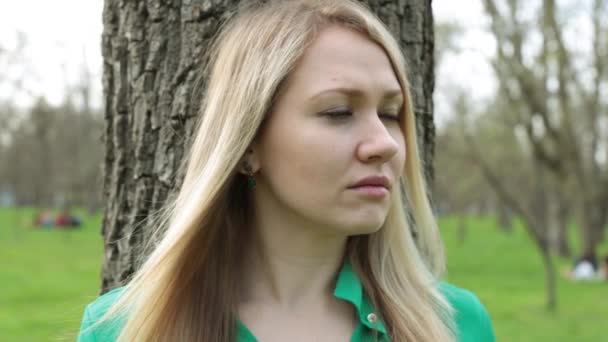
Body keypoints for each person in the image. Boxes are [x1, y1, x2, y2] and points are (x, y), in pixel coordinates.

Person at [78, 1, 495, 341]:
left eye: (390, 113)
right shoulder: (124, 329)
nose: (384, 143)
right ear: (247, 146)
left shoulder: (456, 326)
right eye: (338, 112)